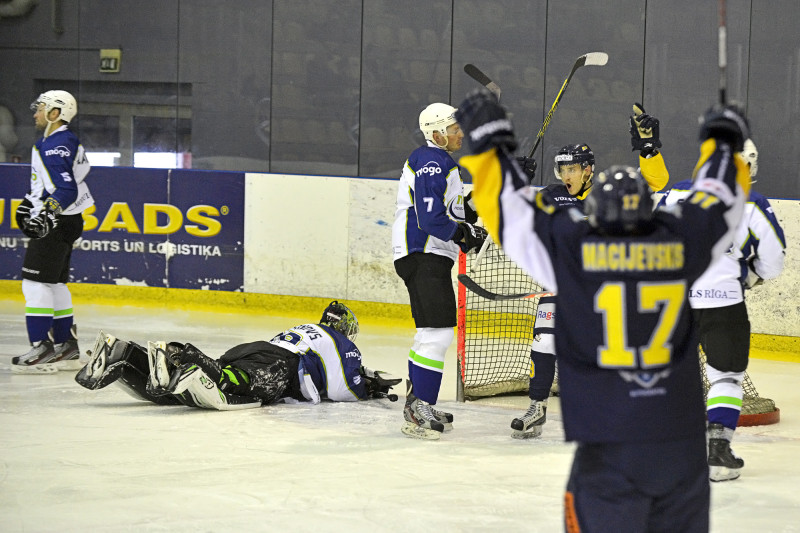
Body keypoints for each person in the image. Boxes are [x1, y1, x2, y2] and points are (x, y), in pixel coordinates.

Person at [455, 88, 750, 532]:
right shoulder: (679, 242)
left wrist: (491, 145)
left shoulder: (575, 249)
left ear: (596, 213)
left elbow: (507, 211)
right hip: (679, 449)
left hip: (607, 447)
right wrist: (723, 144)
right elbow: (721, 198)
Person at [511, 104, 670, 438]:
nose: (565, 175)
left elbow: (656, 182)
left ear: (587, 170)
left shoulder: (607, 195)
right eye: (561, 168)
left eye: (571, 168)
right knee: (543, 343)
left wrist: (649, 150)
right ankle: (536, 407)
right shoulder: (551, 196)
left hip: (601, 290)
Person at [658, 137, 786, 481]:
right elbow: (774, 262)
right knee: (725, 378)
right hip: (723, 301)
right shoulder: (752, 202)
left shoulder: (676, 194)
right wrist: (750, 275)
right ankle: (717, 453)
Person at [75, 301, 401, 409]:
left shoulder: (307, 330)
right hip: (280, 365)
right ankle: (183, 355)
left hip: (254, 349)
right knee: (237, 386)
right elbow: (345, 388)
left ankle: (126, 355)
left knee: (174, 396)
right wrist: (369, 388)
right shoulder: (342, 343)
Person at [391, 102, 488, 439]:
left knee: (432, 333)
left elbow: (456, 209)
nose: (459, 133)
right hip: (423, 252)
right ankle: (418, 407)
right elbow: (431, 219)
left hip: (425, 254)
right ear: (436, 134)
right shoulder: (433, 161)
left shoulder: (440, 162)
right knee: (437, 332)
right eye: (453, 128)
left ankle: (420, 403)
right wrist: (465, 235)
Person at [12, 90, 93, 374]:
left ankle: (42, 348)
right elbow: (52, 183)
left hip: (57, 221)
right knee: (56, 284)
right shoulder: (59, 141)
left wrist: (46, 212)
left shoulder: (54, 145)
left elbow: (66, 188)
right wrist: (28, 204)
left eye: (41, 108)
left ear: (55, 113)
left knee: (34, 285)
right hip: (67, 220)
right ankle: (66, 346)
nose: (35, 113)